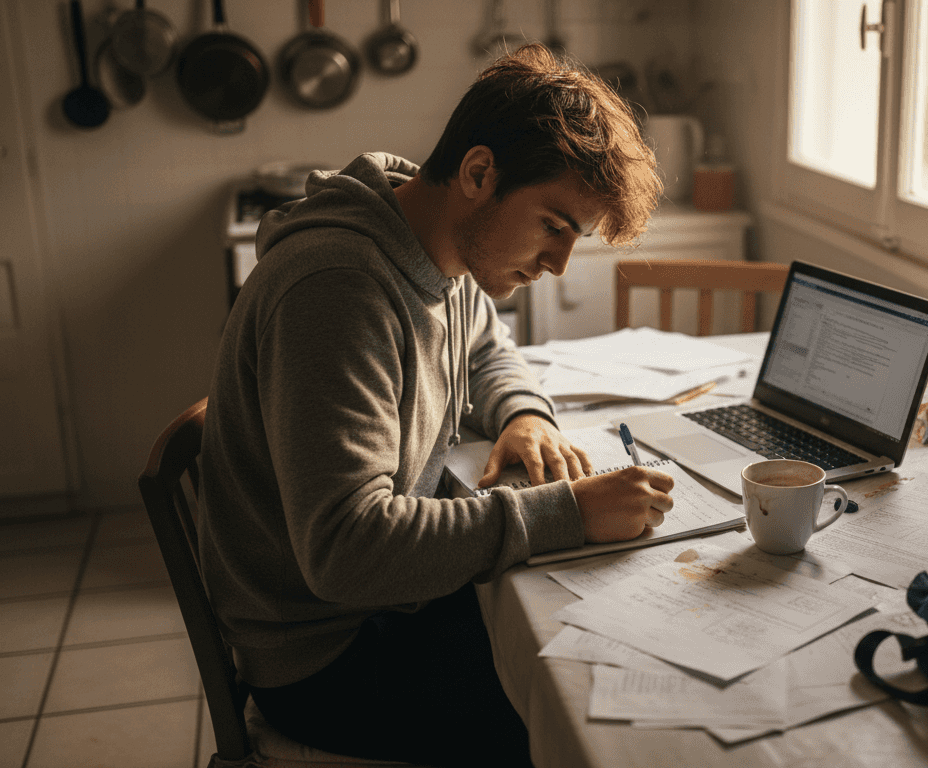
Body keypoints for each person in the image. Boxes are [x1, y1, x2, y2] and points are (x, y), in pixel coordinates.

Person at [198, 44, 668, 767]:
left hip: (380, 605)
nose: (557, 266)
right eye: (553, 225)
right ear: (480, 173)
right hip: (325, 654)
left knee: (605, 633)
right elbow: (346, 552)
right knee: (592, 714)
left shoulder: (431, 242)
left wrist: (522, 413)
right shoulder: (338, 289)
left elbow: (487, 349)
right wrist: (569, 511)